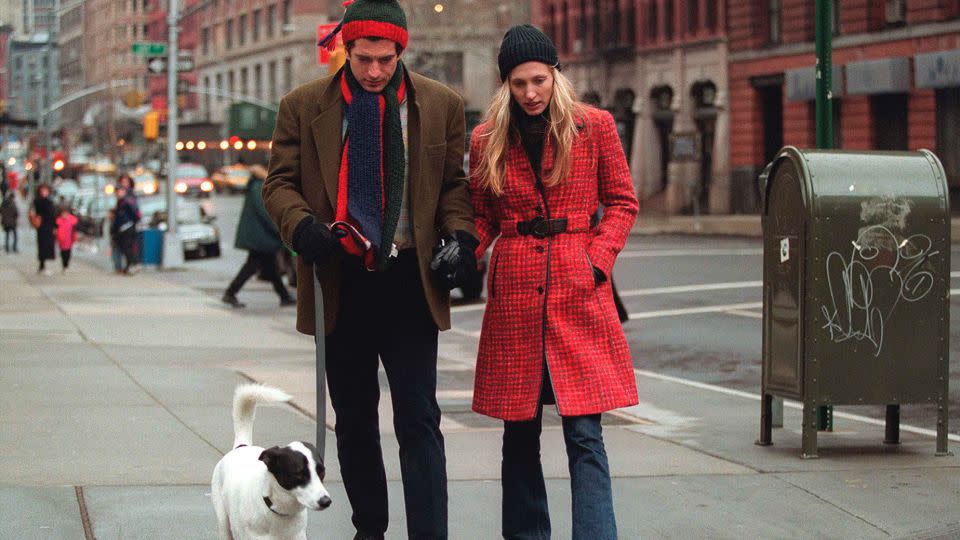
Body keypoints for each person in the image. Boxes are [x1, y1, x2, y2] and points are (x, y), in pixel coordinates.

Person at [263, 1, 477, 537]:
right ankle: (370, 530)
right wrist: (302, 225)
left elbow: (454, 185)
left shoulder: (441, 103)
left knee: (419, 419)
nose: (375, 71)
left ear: (401, 50)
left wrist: (461, 236)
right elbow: (278, 184)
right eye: (363, 59)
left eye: (385, 59)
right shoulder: (303, 105)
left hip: (410, 282)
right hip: (341, 280)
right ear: (346, 50)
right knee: (354, 421)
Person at [468, 25, 639, 540]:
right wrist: (460, 254)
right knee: (517, 433)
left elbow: (623, 204)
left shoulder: (595, 126)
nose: (530, 93)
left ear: (555, 75)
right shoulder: (486, 139)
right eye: (518, 83)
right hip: (516, 291)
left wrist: (597, 260)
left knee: (585, 433)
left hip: (577, 285)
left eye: (539, 80)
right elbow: (482, 217)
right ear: (505, 85)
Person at [222, 164, 296, 308]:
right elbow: (266, 212)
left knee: (271, 267)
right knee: (252, 266)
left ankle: (284, 296)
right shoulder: (259, 187)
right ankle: (230, 292)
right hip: (260, 236)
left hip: (259, 235)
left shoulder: (256, 186)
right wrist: (279, 229)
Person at [111, 183, 141, 274]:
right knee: (125, 247)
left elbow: (135, 214)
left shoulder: (126, 202)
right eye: (117, 191)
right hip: (123, 228)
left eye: (120, 191)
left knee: (127, 247)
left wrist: (131, 223)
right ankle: (129, 265)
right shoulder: (120, 202)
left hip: (127, 227)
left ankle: (133, 264)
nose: (118, 193)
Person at [30, 184, 57, 274]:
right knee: (42, 245)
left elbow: (53, 215)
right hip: (42, 226)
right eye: (43, 190)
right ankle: (42, 264)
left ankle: (43, 264)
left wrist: (54, 226)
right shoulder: (38, 201)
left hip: (48, 226)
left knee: (47, 245)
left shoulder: (50, 201)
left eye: (46, 190)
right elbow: (34, 211)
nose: (44, 192)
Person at [55, 206, 79, 272]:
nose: (64, 215)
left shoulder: (72, 220)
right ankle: (64, 265)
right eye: (63, 214)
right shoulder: (59, 221)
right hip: (61, 239)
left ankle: (66, 265)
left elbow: (75, 229)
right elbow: (56, 229)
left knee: (68, 253)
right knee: (63, 253)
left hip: (69, 239)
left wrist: (74, 237)